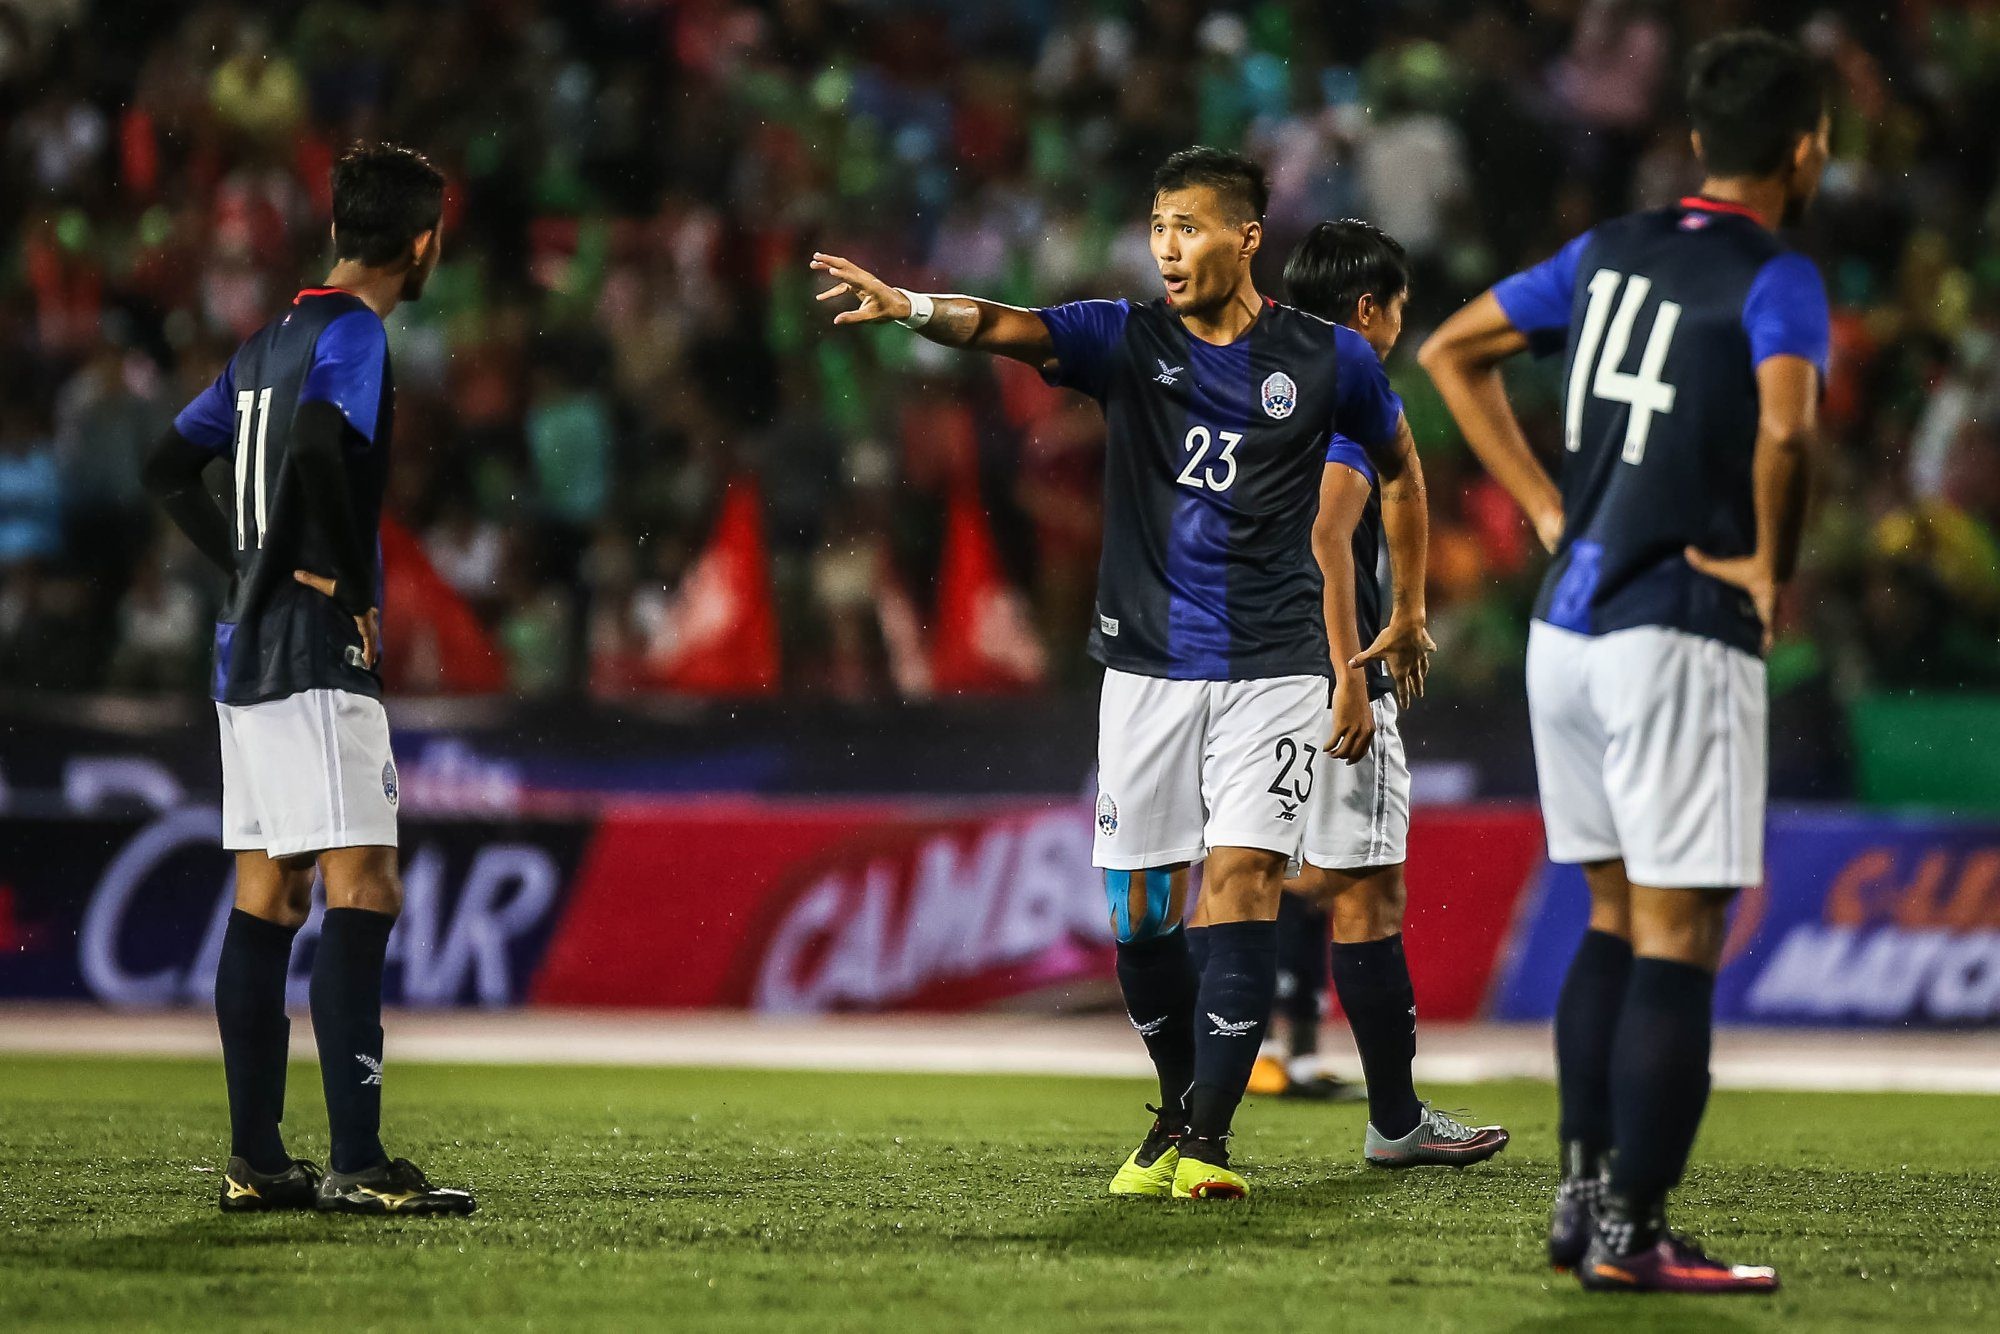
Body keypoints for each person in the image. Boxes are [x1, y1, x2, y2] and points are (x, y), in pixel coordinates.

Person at [814, 147, 1429, 1200]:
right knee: (1140, 912)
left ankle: (1208, 1144)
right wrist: (913, 305)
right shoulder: (1124, 337)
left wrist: (1408, 610)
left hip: (1273, 665)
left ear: (1244, 238)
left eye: (1186, 228)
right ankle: (1179, 1102)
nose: (1165, 248)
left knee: (1238, 883)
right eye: (1155, 227)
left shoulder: (1329, 359)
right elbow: (1005, 326)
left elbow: (1402, 471)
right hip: (1144, 667)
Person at [1419, 31, 1828, 1292]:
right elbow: (1784, 430)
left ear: (1699, 140)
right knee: (1677, 932)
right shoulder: (1780, 276)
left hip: (1567, 627)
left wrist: (1548, 506)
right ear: (1806, 147)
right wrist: (1768, 564)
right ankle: (1634, 1232)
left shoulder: (1607, 250)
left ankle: (1581, 1193)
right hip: (1673, 629)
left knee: (1607, 913)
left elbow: (1448, 350)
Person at [142, 141, 474, 1217]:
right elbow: (328, 443)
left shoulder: (263, 342)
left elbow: (166, 464)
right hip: (315, 646)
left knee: (268, 890)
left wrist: (241, 561)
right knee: (362, 881)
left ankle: (256, 1159)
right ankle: (360, 1162)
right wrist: (336, 580)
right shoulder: (353, 333)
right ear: (420, 241)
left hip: (244, 646)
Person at [1280, 218, 1509, 1167]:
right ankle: (1396, 1120)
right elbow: (1333, 533)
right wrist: (1355, 668)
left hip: (1239, 663)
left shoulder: (1253, 377)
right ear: (1368, 310)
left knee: (1264, 877)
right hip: (1329, 668)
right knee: (1367, 891)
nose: (1403, 325)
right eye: (1401, 307)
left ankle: (1204, 1108)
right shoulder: (1350, 387)